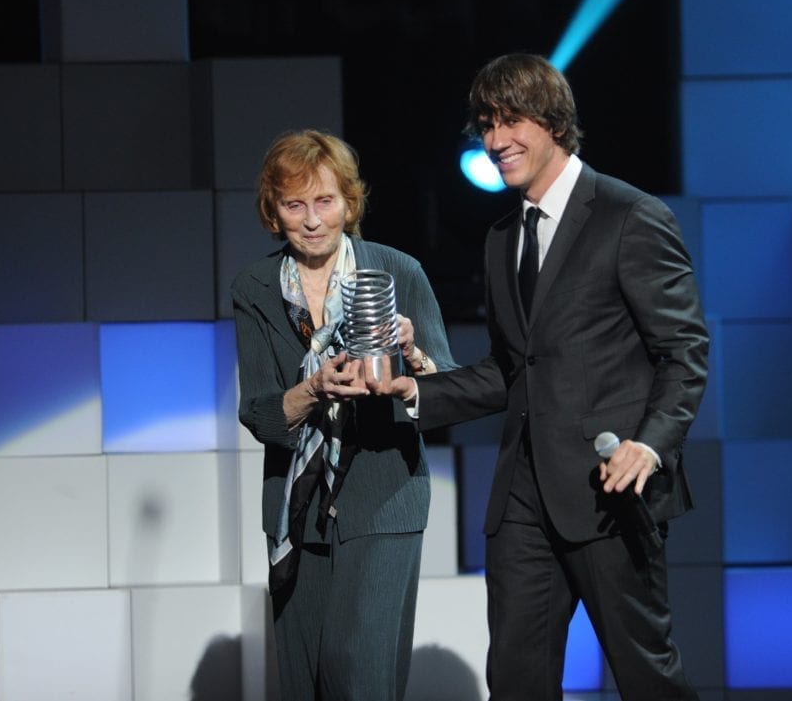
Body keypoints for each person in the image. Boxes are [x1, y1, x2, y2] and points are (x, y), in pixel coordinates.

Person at [370, 53, 709, 700]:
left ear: (553, 121)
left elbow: (684, 348)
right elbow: (512, 370)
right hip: (523, 501)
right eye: (486, 125)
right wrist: (417, 393)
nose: (495, 140)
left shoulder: (628, 216)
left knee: (647, 676)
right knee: (517, 682)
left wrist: (650, 443)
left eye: (511, 121)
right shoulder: (501, 237)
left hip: (611, 492)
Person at [232, 128, 454, 701]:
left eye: (325, 201)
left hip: (385, 495)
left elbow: (449, 394)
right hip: (295, 506)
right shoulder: (254, 288)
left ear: (349, 204)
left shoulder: (397, 272)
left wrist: (412, 357)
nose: (311, 219)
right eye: (294, 204)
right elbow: (259, 412)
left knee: (358, 673)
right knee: (306, 679)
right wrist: (313, 388)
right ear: (273, 212)